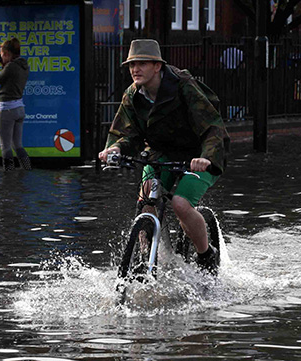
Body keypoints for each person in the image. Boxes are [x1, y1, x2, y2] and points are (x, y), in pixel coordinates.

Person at [98, 39, 229, 274]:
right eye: (131, 65)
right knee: (146, 196)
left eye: (141, 63)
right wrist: (114, 149)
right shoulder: (133, 94)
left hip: (196, 156)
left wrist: (207, 157)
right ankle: (145, 261)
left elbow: (212, 127)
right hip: (159, 154)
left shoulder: (183, 85)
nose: (135, 69)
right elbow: (124, 132)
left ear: (157, 66)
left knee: (180, 203)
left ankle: (206, 254)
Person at [0, 38, 31, 171]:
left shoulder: (11, 67)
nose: (0, 56)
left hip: (7, 110)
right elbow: (8, 77)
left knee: (5, 146)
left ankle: (8, 175)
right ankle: (27, 169)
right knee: (18, 145)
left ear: (7, 54)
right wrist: (3, 64)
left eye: (2, 54)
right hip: (19, 108)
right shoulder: (23, 65)